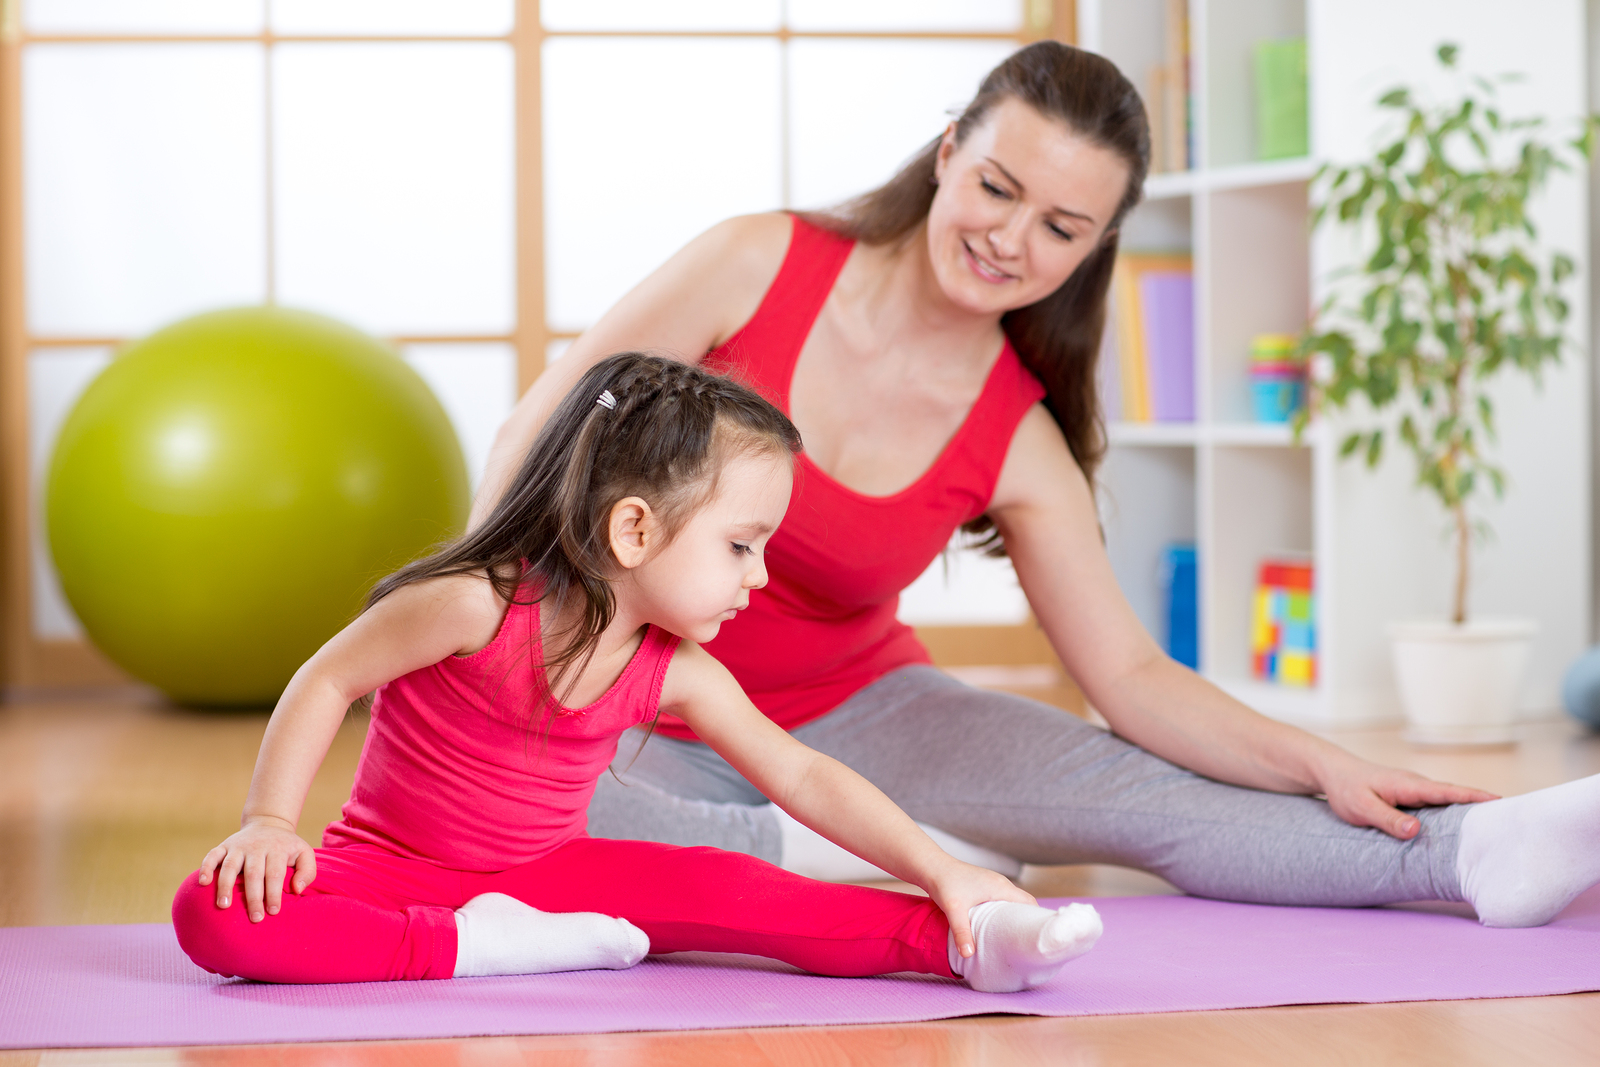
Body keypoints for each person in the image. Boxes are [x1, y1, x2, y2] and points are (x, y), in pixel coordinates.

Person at [474, 42, 1600, 929]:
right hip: (631, 694)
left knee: (1137, 787)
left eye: (1060, 226)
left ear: (1097, 243)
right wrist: (499, 616)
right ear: (948, 146)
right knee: (528, 817)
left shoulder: (1017, 430)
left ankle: (1475, 858)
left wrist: (1328, 761)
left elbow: (1127, 672)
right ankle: (845, 849)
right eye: (996, 187)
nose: (1009, 239)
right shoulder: (753, 262)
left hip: (862, 713)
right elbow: (547, 419)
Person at [170, 353, 1104, 991]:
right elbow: (326, 679)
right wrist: (269, 825)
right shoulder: (473, 603)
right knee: (212, 914)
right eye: (741, 545)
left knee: (739, 892)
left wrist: (946, 874)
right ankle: (479, 951)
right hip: (389, 872)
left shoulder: (677, 669)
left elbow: (802, 774)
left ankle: (969, 947)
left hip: (557, 875)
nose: (761, 575)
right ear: (633, 529)